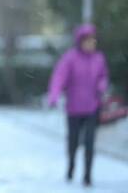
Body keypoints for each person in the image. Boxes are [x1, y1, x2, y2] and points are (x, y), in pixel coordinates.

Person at [47, 24, 109, 187]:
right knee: (73, 142)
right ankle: (71, 165)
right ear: (80, 41)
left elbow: (103, 76)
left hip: (92, 107)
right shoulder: (70, 58)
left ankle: (88, 176)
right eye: (87, 41)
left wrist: (102, 86)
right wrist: (53, 96)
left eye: (93, 41)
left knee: (90, 142)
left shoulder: (99, 58)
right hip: (74, 108)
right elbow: (59, 78)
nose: (91, 44)